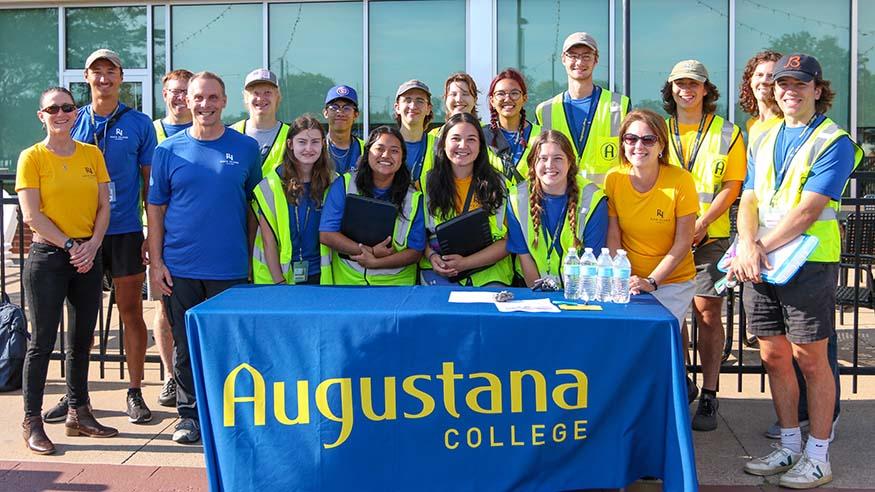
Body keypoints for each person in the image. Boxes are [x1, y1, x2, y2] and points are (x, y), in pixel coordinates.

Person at [733, 54, 861, 488]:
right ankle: (789, 446)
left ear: (818, 90)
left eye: (800, 84)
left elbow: (808, 211)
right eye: (783, 84)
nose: (790, 91)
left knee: (811, 359)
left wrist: (757, 248)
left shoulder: (834, 141)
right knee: (773, 357)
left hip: (807, 262)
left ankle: (818, 454)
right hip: (762, 263)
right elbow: (748, 198)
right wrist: (749, 245)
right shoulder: (763, 135)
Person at [148, 72, 261, 444]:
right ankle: (189, 415)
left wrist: (246, 257)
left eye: (213, 98)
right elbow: (156, 209)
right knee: (185, 345)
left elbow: (252, 209)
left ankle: (228, 415)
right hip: (180, 267)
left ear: (224, 101)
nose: (205, 105)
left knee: (228, 344)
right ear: (186, 101)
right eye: (199, 97)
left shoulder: (245, 149)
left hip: (229, 267)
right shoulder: (168, 150)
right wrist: (157, 261)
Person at [18, 87, 117, 455]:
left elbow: (104, 204)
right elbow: (32, 215)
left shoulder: (92, 155)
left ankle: (79, 412)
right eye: (53, 108)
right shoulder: (33, 157)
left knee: (81, 341)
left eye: (67, 107)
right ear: (41, 115)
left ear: (76, 113)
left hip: (87, 257)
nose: (61, 113)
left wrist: (92, 244)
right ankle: (32, 420)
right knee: (42, 343)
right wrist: (73, 246)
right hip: (49, 257)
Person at [66, 48, 157, 425]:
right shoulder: (71, 120)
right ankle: (77, 397)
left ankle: (134, 391)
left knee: (131, 311)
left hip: (123, 232)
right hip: (81, 234)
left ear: (121, 77)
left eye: (111, 72)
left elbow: (151, 184)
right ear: (86, 78)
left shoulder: (139, 123)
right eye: (96, 72)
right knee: (80, 316)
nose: (103, 79)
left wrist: (150, 234)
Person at [662, 60, 745, 432]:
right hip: (665, 236)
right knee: (672, 316)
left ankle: (710, 392)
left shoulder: (728, 131)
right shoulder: (659, 130)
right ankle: (682, 384)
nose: (687, 90)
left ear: (707, 90)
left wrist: (702, 222)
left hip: (710, 237)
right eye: (680, 84)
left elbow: (732, 185)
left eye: (694, 84)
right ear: (671, 90)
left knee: (708, 315)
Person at [604, 109, 698, 325]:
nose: (639, 146)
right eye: (631, 138)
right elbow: (613, 235)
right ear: (622, 143)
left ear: (661, 145)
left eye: (648, 139)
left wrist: (652, 281)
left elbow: (683, 242)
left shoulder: (681, 180)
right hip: (629, 280)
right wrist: (622, 277)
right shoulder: (614, 179)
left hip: (673, 281)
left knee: (662, 335)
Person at [319, 126, 425, 285]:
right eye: (379, 148)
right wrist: (370, 251)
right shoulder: (345, 185)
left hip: (396, 290)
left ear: (402, 158)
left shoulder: (414, 197)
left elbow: (415, 252)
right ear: (367, 152)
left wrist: (376, 262)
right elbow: (327, 234)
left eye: (394, 151)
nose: (386, 155)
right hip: (349, 285)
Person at [420, 112, 512, 286]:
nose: (463, 145)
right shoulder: (425, 183)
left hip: (490, 276)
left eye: (471, 139)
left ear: (480, 145)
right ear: (444, 144)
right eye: (455, 139)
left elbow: (509, 241)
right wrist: (431, 257)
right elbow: (418, 235)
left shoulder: (499, 184)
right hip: (439, 273)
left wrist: (465, 264)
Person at [507, 130, 608, 286]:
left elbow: (591, 261)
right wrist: (540, 298)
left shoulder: (593, 198)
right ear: (533, 163)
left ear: (570, 162)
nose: (550, 165)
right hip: (532, 288)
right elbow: (524, 256)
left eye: (558, 158)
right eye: (542, 159)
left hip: (578, 290)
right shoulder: (516, 198)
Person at [535, 32, 630, 187]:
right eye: (573, 55)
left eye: (586, 56)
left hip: (607, 202)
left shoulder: (619, 105)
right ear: (563, 59)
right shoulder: (545, 110)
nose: (579, 62)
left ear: (596, 59)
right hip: (563, 200)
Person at [150, 69, 193, 409]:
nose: (180, 97)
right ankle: (169, 376)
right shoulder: (154, 133)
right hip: (160, 236)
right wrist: (149, 238)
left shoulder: (211, 132)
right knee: (164, 309)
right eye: (173, 92)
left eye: (185, 92)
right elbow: (146, 192)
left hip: (199, 242)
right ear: (164, 94)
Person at [253, 115, 336, 285]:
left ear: (323, 144)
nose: (308, 148)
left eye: (315, 142)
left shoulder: (335, 183)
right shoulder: (271, 185)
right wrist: (279, 283)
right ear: (290, 144)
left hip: (323, 275)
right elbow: (268, 241)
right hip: (281, 278)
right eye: (302, 142)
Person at [484, 68, 542, 186]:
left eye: (514, 93)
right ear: (492, 101)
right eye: (500, 94)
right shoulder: (482, 137)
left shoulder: (541, 136)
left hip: (532, 204)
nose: (507, 99)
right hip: (494, 204)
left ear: (524, 98)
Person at [232, 68, 289, 176]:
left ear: (277, 96)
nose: (261, 98)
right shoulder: (231, 133)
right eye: (255, 93)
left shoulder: (292, 135)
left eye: (267, 92)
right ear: (246, 97)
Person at [394, 80, 437, 184]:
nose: (413, 106)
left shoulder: (439, 147)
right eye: (407, 100)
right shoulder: (382, 144)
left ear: (428, 109)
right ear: (397, 108)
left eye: (420, 101)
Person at [739, 50, 783, 144]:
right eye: (759, 75)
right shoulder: (751, 124)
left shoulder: (788, 123)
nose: (763, 80)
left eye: (770, 76)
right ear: (750, 81)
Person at [323, 85, 364, 174]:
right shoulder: (316, 147)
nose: (340, 112)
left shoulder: (366, 150)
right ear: (325, 113)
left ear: (356, 115)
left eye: (347, 108)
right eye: (334, 107)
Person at [428, 72, 480, 139]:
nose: (459, 99)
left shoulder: (489, 134)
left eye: (465, 94)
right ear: (446, 99)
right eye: (453, 94)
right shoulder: (433, 136)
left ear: (475, 100)